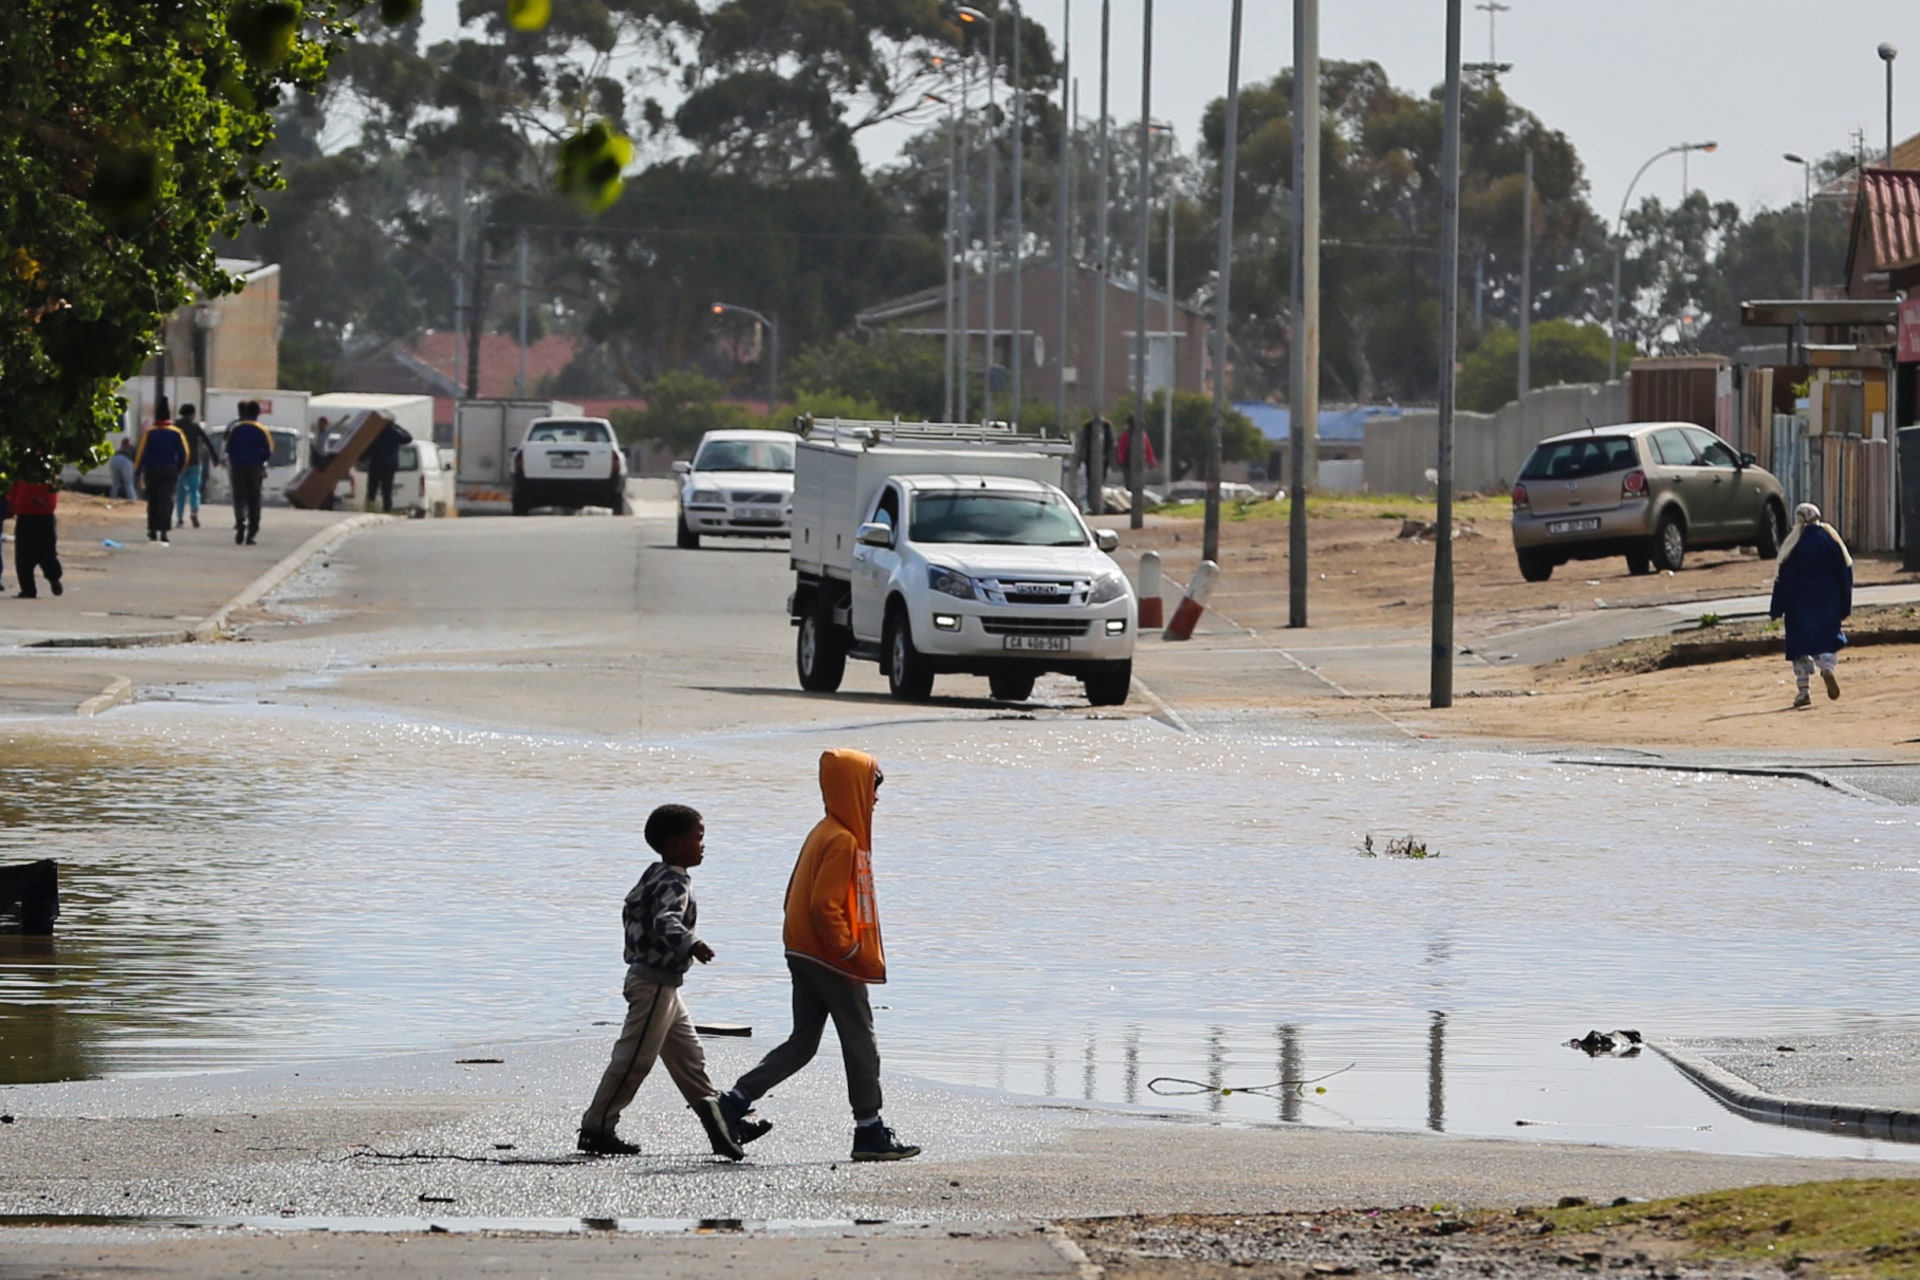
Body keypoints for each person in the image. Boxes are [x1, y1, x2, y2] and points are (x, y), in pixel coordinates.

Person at [717, 749, 920, 1162]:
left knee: (803, 1043)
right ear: (854, 790)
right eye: (872, 788)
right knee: (860, 1038)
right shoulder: (843, 840)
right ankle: (869, 1130)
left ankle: (734, 1101)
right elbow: (823, 907)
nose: (876, 799)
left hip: (802, 950)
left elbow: (793, 895)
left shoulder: (823, 830)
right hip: (829, 957)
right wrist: (849, 950)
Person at [578, 803, 763, 1162]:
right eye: (698, 837)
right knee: (634, 1059)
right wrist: (692, 943)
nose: (703, 845)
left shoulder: (654, 873)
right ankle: (596, 1127)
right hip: (654, 983)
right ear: (675, 843)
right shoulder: (674, 880)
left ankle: (725, 1125)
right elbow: (665, 919)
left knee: (689, 1059)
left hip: (662, 984)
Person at [1769, 502, 1853, 709]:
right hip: (1829, 599)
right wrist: (1845, 604)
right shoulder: (1832, 540)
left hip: (1800, 603)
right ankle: (1826, 667)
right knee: (1826, 640)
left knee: (1800, 648)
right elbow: (1845, 573)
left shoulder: (1794, 543)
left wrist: (1776, 608)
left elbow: (1784, 579)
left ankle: (1803, 691)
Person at [133, 401, 190, 543]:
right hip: (169, 470)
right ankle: (164, 531)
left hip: (151, 470)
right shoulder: (177, 432)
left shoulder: (149, 432)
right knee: (166, 500)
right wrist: (178, 468)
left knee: (153, 500)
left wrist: (137, 472)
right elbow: (185, 453)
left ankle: (152, 530)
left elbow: (141, 453)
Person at [225, 401, 275, 545]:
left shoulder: (236, 429)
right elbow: (268, 451)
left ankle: (240, 521)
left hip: (237, 467)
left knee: (239, 497)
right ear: (258, 413)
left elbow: (229, 449)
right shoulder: (261, 429)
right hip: (254, 468)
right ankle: (252, 533)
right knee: (254, 499)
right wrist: (260, 459)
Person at [7, 476, 62, 598]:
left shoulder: (46, 468)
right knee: (31, 554)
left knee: (41, 553)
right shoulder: (23, 467)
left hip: (38, 513)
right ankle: (32, 587)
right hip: (31, 513)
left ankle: (50, 580)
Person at [172, 403, 218, 530]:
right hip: (195, 462)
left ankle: (180, 518)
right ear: (192, 414)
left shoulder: (175, 427)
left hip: (179, 464)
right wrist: (215, 458)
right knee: (194, 490)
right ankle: (194, 512)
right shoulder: (195, 427)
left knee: (181, 491)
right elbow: (207, 442)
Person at [363, 417, 414, 514]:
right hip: (388, 466)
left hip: (375, 465)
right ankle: (386, 510)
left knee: (371, 490)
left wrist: (362, 458)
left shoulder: (375, 433)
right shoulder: (394, 432)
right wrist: (400, 428)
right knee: (387, 491)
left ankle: (370, 509)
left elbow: (368, 448)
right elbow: (408, 438)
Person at [1077, 414, 1115, 514]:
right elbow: (1082, 444)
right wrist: (1080, 459)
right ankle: (1092, 504)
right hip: (1090, 459)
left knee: (1100, 482)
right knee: (1091, 482)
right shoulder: (1087, 426)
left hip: (1103, 460)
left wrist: (1108, 457)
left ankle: (1098, 503)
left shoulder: (1107, 426)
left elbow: (1111, 443)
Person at [1115, 412, 1159, 477]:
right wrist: (1151, 462)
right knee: (1133, 482)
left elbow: (1148, 449)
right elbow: (1120, 449)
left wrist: (1151, 462)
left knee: (1133, 482)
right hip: (1130, 463)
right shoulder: (1127, 435)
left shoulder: (1140, 435)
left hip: (1134, 463)